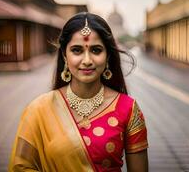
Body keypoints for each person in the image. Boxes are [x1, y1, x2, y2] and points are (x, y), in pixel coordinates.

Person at [8, 12, 148, 172]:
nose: (87, 60)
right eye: (77, 50)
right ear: (64, 56)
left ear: (108, 55)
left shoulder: (128, 109)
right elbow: (21, 167)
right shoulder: (39, 109)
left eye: (96, 50)